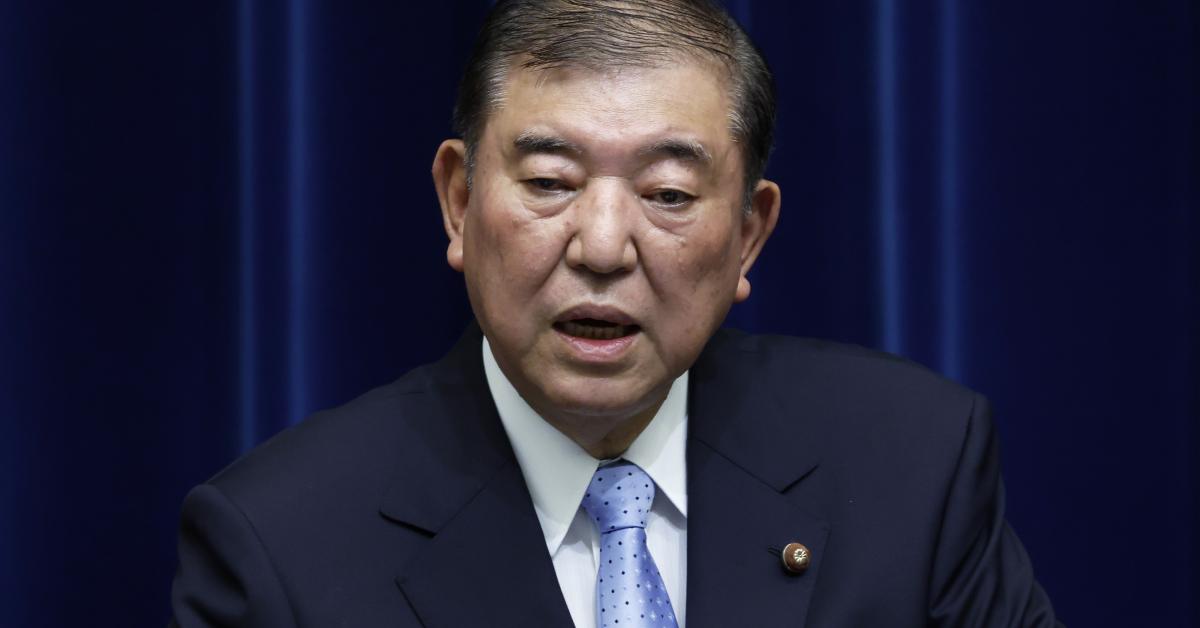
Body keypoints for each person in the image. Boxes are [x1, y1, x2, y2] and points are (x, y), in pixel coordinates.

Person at [169, 1, 1061, 626]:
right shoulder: (278, 547)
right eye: (550, 182)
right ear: (458, 203)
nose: (601, 246)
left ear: (749, 236)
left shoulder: (914, 465)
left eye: (668, 193)